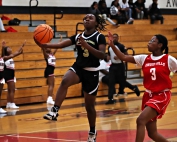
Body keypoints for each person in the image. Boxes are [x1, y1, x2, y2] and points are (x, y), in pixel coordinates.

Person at [34, 14, 107, 142]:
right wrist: (44, 45)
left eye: (90, 18)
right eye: (85, 18)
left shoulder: (99, 37)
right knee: (65, 80)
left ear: (96, 23)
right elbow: (61, 45)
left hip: (92, 72)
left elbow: (102, 55)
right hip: (79, 68)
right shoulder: (78, 36)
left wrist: (87, 46)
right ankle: (54, 110)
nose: (87, 19)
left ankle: (92, 131)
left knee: (89, 106)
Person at [107, 31, 177, 142]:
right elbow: (123, 57)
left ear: (160, 45)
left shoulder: (168, 59)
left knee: (140, 120)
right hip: (148, 95)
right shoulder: (144, 58)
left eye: (152, 41)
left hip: (161, 95)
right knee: (152, 133)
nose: (149, 43)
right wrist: (112, 45)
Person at [105, 34, 140, 104]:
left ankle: (134, 88)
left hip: (120, 66)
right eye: (113, 37)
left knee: (122, 81)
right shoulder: (109, 47)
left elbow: (126, 55)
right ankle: (110, 98)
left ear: (118, 38)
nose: (114, 39)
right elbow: (109, 55)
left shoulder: (121, 46)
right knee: (111, 81)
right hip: (113, 66)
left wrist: (119, 57)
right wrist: (107, 57)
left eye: (115, 38)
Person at [2, 40, 25, 109]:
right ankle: (12, 103)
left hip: (11, 74)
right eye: (8, 48)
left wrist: (21, 47)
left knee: (10, 90)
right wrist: (3, 47)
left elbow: (16, 52)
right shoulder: (4, 57)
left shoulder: (10, 57)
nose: (10, 49)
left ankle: (9, 103)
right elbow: (15, 53)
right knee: (12, 90)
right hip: (8, 74)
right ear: (6, 51)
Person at [42, 35, 62, 105]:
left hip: (51, 70)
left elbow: (57, 47)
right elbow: (43, 49)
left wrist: (60, 41)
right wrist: (43, 46)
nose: (49, 48)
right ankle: (49, 99)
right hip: (49, 70)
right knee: (51, 85)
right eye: (47, 47)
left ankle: (50, 98)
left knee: (52, 85)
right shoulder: (46, 55)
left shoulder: (52, 54)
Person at [0, 41, 6, 114]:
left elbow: (3, 54)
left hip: (1, 76)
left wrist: (3, 47)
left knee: (0, 93)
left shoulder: (1, 58)